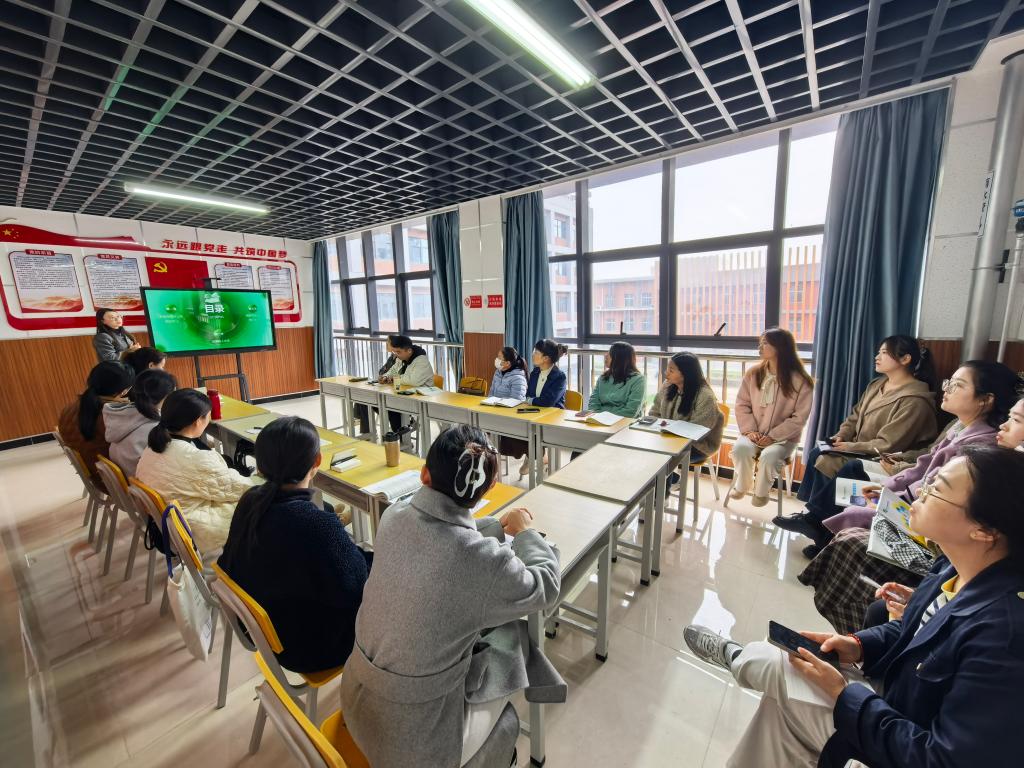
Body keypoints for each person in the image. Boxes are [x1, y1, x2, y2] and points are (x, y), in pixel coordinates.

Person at [684, 445, 1024, 768]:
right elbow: (912, 635)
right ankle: (743, 659)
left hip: (897, 741)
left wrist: (843, 696)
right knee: (783, 702)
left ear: (984, 530)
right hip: (893, 703)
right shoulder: (953, 567)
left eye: (938, 488)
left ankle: (739, 658)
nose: (922, 490)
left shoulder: (1004, 637)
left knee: (778, 666)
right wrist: (857, 645)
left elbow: (941, 759)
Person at [340, 425, 563, 768]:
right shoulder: (481, 561)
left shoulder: (393, 516)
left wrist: (494, 526)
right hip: (413, 742)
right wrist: (525, 533)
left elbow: (444, 530)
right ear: (490, 486)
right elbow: (545, 584)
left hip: (356, 702)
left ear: (424, 474)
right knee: (511, 658)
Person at [799, 391, 1024, 635]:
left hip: (938, 545)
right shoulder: (959, 430)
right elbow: (925, 466)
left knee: (856, 535)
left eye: (1016, 420)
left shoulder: (991, 466)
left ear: (985, 399)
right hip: (943, 554)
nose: (1004, 425)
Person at [783, 360, 1018, 557]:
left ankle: (824, 538)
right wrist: (887, 487)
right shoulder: (958, 425)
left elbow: (930, 480)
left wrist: (891, 491)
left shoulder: (978, 444)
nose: (947, 389)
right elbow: (926, 463)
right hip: (912, 486)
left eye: (957, 385)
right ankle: (818, 528)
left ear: (986, 399)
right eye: (949, 382)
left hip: (925, 504)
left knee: (854, 500)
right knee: (833, 467)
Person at [217, 417, 371, 673]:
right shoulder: (316, 524)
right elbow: (357, 588)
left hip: (271, 631)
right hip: (310, 647)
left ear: (260, 465)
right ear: (317, 461)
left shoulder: (251, 500)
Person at [861, 396, 1024, 630]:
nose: (1004, 426)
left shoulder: (997, 625)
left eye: (1016, 420)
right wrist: (921, 601)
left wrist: (915, 627)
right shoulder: (951, 564)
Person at [790, 335, 939, 509]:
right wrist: (841, 436)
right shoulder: (876, 385)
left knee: (828, 461)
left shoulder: (915, 400)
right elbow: (855, 416)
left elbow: (889, 444)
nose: (877, 357)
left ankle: (821, 514)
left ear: (905, 359)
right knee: (817, 451)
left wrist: (849, 447)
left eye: (884, 353)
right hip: (862, 449)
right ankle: (811, 510)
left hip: (885, 457)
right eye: (878, 352)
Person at [136, 389, 255, 554]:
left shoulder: (152, 447)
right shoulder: (196, 458)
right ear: (198, 421)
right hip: (189, 529)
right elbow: (241, 489)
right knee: (261, 504)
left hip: (164, 524)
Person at [731, 329, 814, 506]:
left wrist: (773, 436)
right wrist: (750, 431)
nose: (760, 347)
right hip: (753, 434)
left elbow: (799, 418)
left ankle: (761, 494)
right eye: (761, 342)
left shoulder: (801, 380)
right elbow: (742, 404)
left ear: (780, 347)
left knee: (769, 456)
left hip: (784, 439)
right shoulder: (753, 373)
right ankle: (742, 486)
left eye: (765, 343)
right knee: (741, 449)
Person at [58, 361, 135, 492]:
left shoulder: (70, 408)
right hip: (115, 483)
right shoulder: (111, 417)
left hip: (97, 475)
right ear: (124, 391)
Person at [649, 351, 724, 465]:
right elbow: (654, 411)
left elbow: (698, 431)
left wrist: (667, 431)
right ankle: (668, 475)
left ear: (686, 373)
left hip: (698, 446)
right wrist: (657, 426)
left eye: (671, 370)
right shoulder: (668, 385)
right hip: (668, 438)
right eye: (667, 369)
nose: (666, 373)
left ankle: (666, 476)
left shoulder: (705, 396)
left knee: (660, 455)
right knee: (644, 447)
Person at [104, 368, 177, 477]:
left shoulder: (122, 416)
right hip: (148, 482)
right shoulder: (157, 428)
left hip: (134, 482)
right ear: (166, 396)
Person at [510, 339, 568, 476]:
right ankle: (532, 456)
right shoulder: (535, 372)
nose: (532, 354)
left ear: (546, 358)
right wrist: (532, 401)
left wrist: (531, 401)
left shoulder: (559, 376)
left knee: (534, 433)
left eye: (536, 352)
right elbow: (529, 395)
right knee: (516, 428)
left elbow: (548, 401)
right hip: (534, 413)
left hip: (553, 417)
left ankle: (534, 458)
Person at [380, 335, 434, 443]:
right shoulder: (401, 359)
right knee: (381, 406)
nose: (396, 354)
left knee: (391, 410)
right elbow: (392, 371)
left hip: (421, 398)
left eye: (398, 352)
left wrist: (394, 378)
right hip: (403, 395)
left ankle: (402, 440)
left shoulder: (421, 361)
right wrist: (385, 377)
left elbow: (414, 381)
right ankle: (402, 436)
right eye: (395, 352)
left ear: (409, 351)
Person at [583, 341, 645, 419]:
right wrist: (600, 417)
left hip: (625, 422)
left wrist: (604, 415)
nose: (606, 356)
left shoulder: (638, 380)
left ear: (619, 358)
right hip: (599, 420)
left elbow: (630, 411)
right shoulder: (603, 377)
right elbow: (593, 404)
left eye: (610, 354)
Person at [354, 335, 400, 438]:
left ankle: (362, 422)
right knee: (362, 398)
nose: (386, 344)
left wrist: (386, 376)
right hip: (385, 388)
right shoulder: (392, 357)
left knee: (365, 399)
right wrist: (385, 376)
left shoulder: (400, 358)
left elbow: (392, 374)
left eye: (388, 342)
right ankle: (368, 432)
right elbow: (382, 371)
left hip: (393, 394)